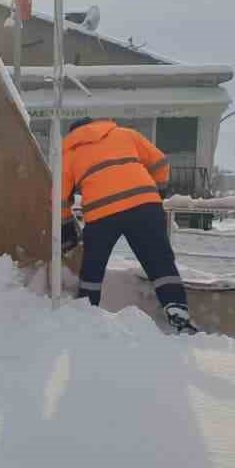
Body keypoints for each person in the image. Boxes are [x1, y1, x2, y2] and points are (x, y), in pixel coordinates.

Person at [60, 118, 199, 335]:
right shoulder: (125, 134)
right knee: (159, 259)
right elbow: (160, 162)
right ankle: (177, 309)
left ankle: (85, 314)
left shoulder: (69, 152)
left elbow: (58, 196)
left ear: (72, 134)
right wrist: (157, 192)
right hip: (144, 205)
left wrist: (67, 225)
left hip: (101, 212)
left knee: (93, 267)